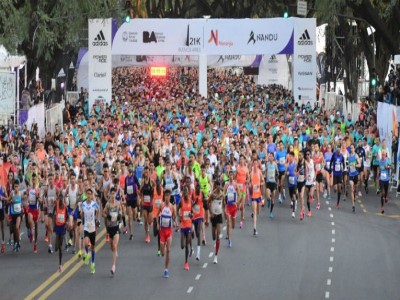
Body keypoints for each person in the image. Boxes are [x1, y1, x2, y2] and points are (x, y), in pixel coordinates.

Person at [157, 189, 176, 278]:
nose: (167, 198)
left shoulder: (172, 207)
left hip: (169, 231)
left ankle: (166, 269)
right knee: (163, 253)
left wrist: (175, 222)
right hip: (162, 231)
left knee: (168, 251)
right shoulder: (161, 205)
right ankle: (162, 247)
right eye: (165, 196)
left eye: (168, 196)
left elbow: (174, 217)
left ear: (170, 197)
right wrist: (157, 224)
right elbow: (157, 215)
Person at [103, 187, 122, 276]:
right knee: (112, 247)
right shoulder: (108, 204)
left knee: (114, 246)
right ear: (110, 195)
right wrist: (107, 216)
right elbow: (103, 213)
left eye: (114, 194)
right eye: (111, 194)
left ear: (116, 195)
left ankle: (113, 266)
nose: (113, 195)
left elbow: (121, 212)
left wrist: (119, 216)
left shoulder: (118, 204)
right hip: (110, 228)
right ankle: (114, 251)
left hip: (116, 227)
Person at [81, 187, 100, 274]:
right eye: (87, 194)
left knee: (92, 247)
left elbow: (98, 210)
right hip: (86, 227)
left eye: (90, 194)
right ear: (86, 195)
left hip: (92, 228)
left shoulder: (94, 204)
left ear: (92, 195)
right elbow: (82, 213)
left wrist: (97, 219)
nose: (88, 195)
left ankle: (92, 263)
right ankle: (86, 254)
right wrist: (81, 221)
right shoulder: (83, 204)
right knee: (85, 242)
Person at [209, 180, 224, 264]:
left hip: (219, 215)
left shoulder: (222, 194)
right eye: (217, 185)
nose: (218, 186)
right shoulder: (212, 194)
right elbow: (208, 203)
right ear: (215, 186)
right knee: (213, 237)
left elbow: (224, 203)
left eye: (219, 185)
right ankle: (215, 235)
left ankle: (215, 256)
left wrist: (224, 212)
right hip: (213, 216)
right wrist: (210, 213)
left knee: (218, 235)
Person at [124, 163, 140, 240]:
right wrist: (124, 195)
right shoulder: (126, 178)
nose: (129, 170)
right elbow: (125, 188)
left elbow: (138, 185)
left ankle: (136, 215)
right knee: (129, 216)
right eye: (128, 168)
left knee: (134, 214)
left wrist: (137, 191)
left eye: (130, 168)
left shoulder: (134, 177)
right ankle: (131, 233)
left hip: (134, 198)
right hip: (128, 199)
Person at [53, 194, 68, 272]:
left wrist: (66, 224)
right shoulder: (56, 206)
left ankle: (60, 264)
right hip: (57, 226)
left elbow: (67, 217)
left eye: (62, 200)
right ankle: (56, 242)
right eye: (60, 199)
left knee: (60, 246)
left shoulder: (65, 207)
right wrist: (54, 226)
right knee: (57, 246)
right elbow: (53, 215)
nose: (61, 201)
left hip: (62, 227)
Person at [179, 186, 192, 271]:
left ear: (188, 192)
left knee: (186, 244)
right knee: (182, 246)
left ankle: (186, 262)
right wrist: (178, 217)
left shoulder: (191, 200)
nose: (185, 192)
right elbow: (177, 209)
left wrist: (192, 214)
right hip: (183, 224)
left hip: (189, 224)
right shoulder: (181, 200)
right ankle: (188, 247)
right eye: (184, 191)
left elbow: (192, 211)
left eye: (186, 191)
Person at [7, 180, 23, 252]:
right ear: (13, 187)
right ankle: (17, 244)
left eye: (17, 186)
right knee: (14, 230)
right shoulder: (12, 194)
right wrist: (10, 201)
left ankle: (18, 239)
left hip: (19, 214)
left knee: (17, 227)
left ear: (19, 187)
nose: (16, 188)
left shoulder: (20, 193)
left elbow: (25, 200)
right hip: (13, 214)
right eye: (15, 187)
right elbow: (7, 202)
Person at [140, 166, 155, 243]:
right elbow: (140, 192)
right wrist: (141, 199)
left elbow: (156, 189)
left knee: (150, 220)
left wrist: (153, 198)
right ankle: (147, 235)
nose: (146, 173)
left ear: (149, 172)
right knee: (145, 219)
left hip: (150, 203)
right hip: (144, 203)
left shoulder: (151, 181)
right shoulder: (142, 182)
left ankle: (151, 222)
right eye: (145, 172)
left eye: (147, 172)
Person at [27, 173, 41, 253]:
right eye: (32, 179)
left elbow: (41, 200)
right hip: (30, 209)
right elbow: (27, 197)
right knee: (29, 219)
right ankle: (31, 232)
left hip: (36, 209)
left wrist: (37, 196)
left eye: (35, 179)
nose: (34, 180)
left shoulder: (38, 189)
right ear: (31, 180)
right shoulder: (29, 188)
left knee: (37, 228)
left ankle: (35, 244)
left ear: (37, 179)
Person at [192, 179, 205, 260]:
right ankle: (194, 232)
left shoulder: (202, 193)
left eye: (199, 187)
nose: (198, 189)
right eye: (197, 187)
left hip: (200, 215)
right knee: (196, 234)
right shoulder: (193, 194)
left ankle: (198, 254)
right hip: (194, 216)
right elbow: (191, 203)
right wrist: (195, 202)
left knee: (198, 233)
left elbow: (204, 201)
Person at [250, 160, 264, 235]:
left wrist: (260, 184)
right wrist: (250, 185)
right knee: (255, 212)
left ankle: (253, 212)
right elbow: (249, 182)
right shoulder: (251, 173)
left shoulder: (259, 172)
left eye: (256, 164)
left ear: (258, 165)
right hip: (253, 195)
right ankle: (254, 228)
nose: (255, 165)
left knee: (258, 211)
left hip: (258, 195)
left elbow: (263, 181)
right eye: (254, 164)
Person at [224, 171, 238, 248]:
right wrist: (224, 200)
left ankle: (229, 232)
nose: (231, 176)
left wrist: (237, 202)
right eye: (230, 175)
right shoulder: (226, 184)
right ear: (228, 176)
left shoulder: (235, 184)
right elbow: (223, 193)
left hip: (234, 207)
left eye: (232, 175)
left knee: (233, 225)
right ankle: (229, 240)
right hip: (228, 206)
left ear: (233, 176)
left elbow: (239, 194)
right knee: (228, 222)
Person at [348, 144, 361, 212]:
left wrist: (355, 165)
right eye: (351, 148)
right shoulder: (349, 156)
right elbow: (348, 165)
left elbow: (360, 164)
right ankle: (353, 205)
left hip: (355, 174)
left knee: (354, 189)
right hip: (350, 174)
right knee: (351, 188)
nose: (351, 149)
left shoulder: (356, 156)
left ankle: (355, 193)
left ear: (354, 149)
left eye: (352, 148)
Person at [265, 152, 278, 219]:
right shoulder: (267, 164)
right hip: (268, 182)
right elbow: (265, 171)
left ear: (273, 157)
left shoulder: (275, 164)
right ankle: (268, 200)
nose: (270, 157)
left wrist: (277, 176)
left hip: (274, 183)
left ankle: (271, 212)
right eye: (269, 156)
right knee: (268, 196)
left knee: (273, 199)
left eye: (271, 156)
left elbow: (277, 172)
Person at [286, 152, 298, 218]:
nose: (289, 158)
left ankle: (293, 212)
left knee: (293, 195)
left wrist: (296, 173)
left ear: (293, 157)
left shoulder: (295, 164)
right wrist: (287, 172)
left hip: (295, 182)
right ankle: (295, 200)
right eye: (288, 157)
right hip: (290, 182)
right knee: (291, 196)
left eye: (290, 157)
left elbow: (298, 171)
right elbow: (286, 172)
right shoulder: (288, 164)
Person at [304, 150, 315, 217]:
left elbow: (315, 170)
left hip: (312, 180)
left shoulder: (312, 161)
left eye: (309, 154)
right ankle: (309, 211)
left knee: (311, 194)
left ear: (310, 155)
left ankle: (312, 196)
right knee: (307, 197)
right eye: (306, 154)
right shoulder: (304, 162)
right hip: (307, 181)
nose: (308, 156)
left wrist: (315, 176)